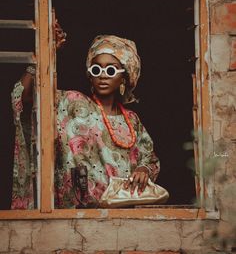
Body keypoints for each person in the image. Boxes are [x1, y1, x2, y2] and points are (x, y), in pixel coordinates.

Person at [11, 32, 160, 209]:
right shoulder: (73, 103)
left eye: (111, 70)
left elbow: (149, 159)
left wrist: (143, 170)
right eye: (96, 69)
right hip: (75, 215)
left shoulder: (132, 120)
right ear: (90, 75)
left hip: (123, 214)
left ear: (124, 77)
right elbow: (25, 96)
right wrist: (44, 51)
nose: (103, 75)